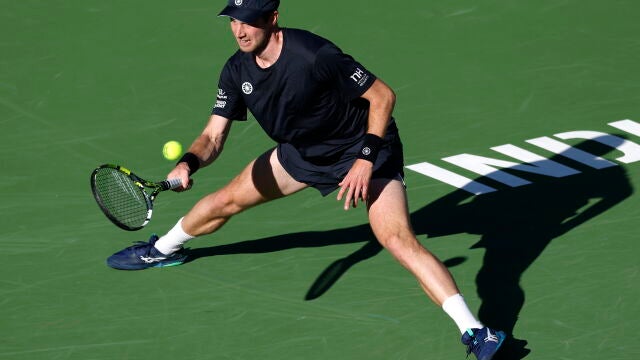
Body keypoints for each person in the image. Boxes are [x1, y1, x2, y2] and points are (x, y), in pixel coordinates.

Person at [106, 1, 505, 358]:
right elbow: (213, 136)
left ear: (272, 19)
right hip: (302, 154)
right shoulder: (235, 70)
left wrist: (365, 159)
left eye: (248, 20)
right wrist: (189, 163)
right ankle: (162, 249)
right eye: (232, 20)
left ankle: (476, 331)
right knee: (224, 201)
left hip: (364, 148)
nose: (239, 30)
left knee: (396, 239)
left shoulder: (313, 53)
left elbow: (382, 96)